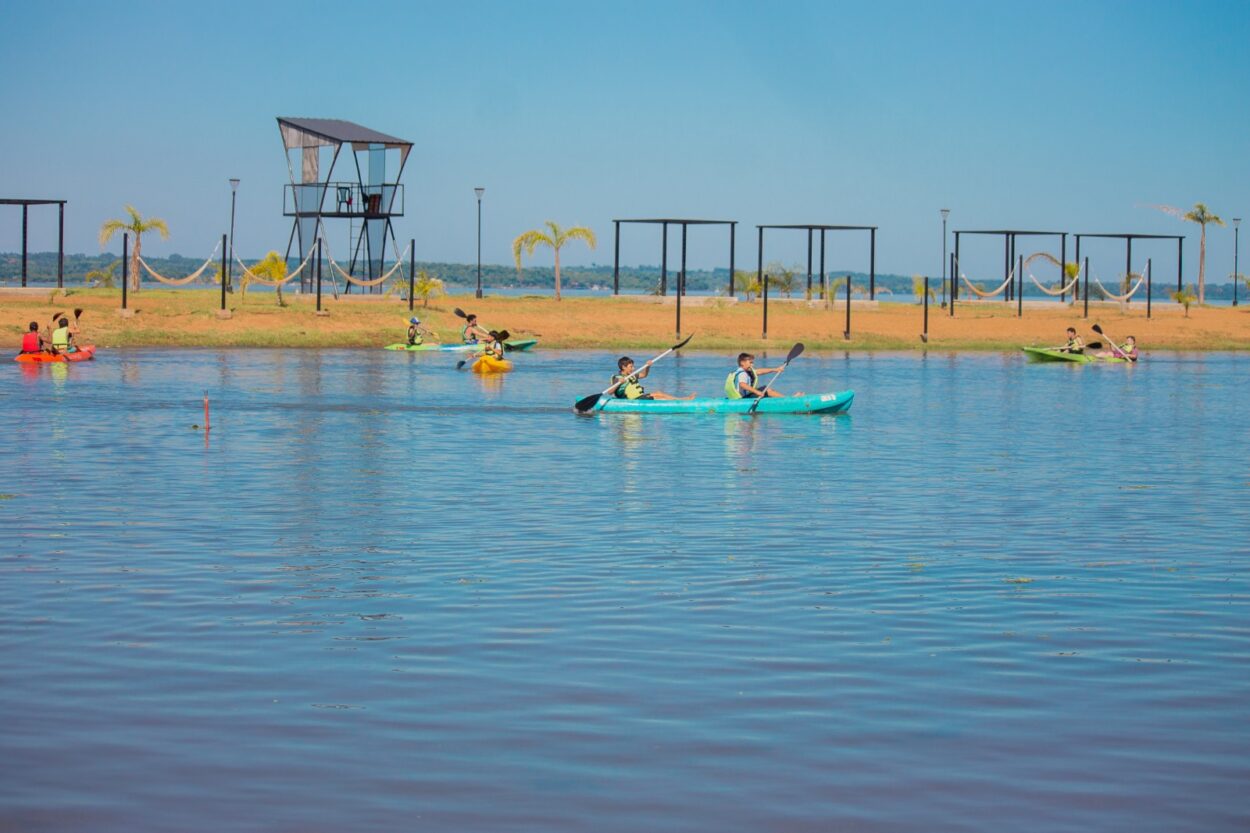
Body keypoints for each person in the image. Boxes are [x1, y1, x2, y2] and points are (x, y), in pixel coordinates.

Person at [610, 356, 693, 401]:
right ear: (624, 367)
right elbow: (610, 392)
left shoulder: (632, 375)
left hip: (640, 397)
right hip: (634, 400)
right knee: (658, 396)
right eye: (631, 367)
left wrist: (648, 367)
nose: (633, 368)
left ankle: (681, 399)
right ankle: (682, 401)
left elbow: (644, 375)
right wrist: (619, 383)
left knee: (658, 392)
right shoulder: (618, 378)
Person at [725, 352, 802, 398]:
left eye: (752, 362)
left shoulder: (744, 371)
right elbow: (742, 385)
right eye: (750, 362)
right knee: (767, 390)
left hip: (744, 396)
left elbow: (759, 371)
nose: (752, 364)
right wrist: (757, 392)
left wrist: (774, 369)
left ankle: (782, 399)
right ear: (742, 363)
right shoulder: (742, 374)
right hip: (744, 399)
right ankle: (787, 399)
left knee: (765, 390)